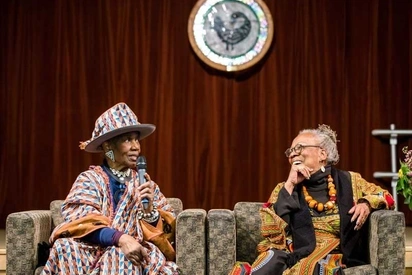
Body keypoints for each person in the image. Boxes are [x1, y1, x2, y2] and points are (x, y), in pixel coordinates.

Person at [230, 124, 395, 275]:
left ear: (322, 154)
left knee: (307, 267)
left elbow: (386, 196)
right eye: (290, 151)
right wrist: (290, 184)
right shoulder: (285, 187)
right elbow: (271, 233)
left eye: (299, 147)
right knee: (269, 263)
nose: (293, 153)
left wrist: (366, 203)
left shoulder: (350, 180)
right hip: (293, 250)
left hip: (331, 253)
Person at [41, 102, 179, 275]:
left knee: (119, 255)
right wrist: (120, 238)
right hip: (92, 249)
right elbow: (79, 223)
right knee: (64, 247)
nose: (136, 146)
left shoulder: (145, 183)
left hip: (131, 251)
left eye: (136, 139)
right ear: (108, 147)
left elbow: (167, 233)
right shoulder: (89, 179)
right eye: (128, 140)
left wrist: (150, 212)